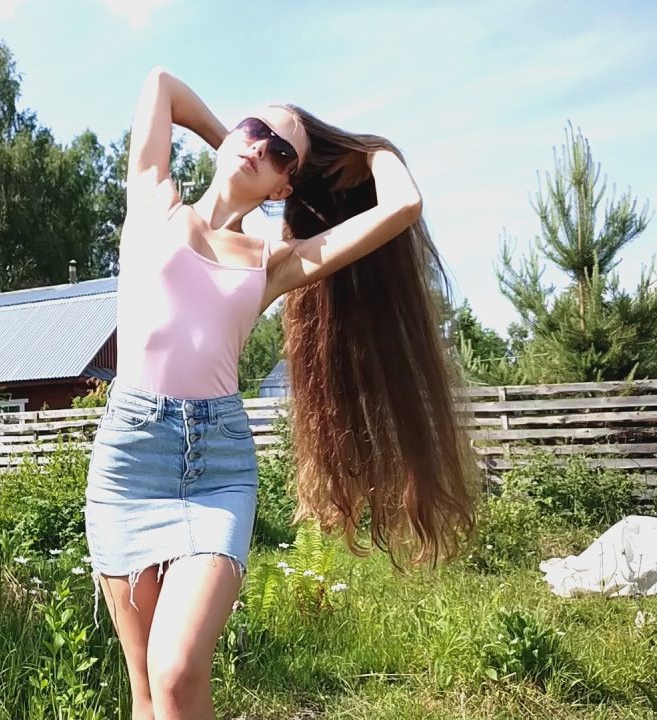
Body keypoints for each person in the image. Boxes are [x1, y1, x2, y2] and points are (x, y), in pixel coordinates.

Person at [85, 66, 475, 720]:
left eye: (279, 151)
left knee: (177, 671)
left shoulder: (273, 260)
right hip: (129, 459)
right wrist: (224, 138)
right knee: (148, 693)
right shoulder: (152, 195)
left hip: (217, 469)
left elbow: (403, 206)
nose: (259, 146)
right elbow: (161, 84)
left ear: (285, 182)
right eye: (254, 129)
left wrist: (367, 150)